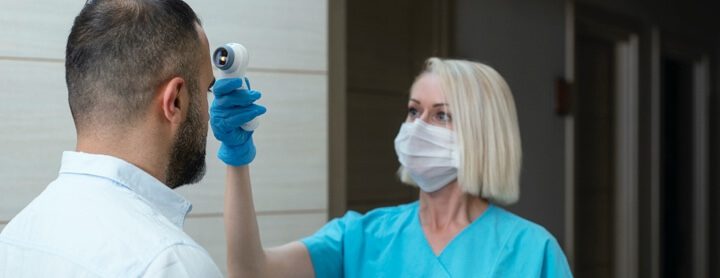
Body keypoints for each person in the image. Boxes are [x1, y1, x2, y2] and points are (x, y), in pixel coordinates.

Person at [211, 58, 573, 277]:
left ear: (482, 134)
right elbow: (249, 271)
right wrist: (236, 160)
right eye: (414, 111)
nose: (417, 127)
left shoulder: (531, 252)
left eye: (441, 115)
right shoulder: (363, 238)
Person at [0, 0, 263, 276]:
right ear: (174, 101)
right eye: (206, 90)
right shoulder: (170, 263)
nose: (210, 115)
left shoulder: (14, 238)